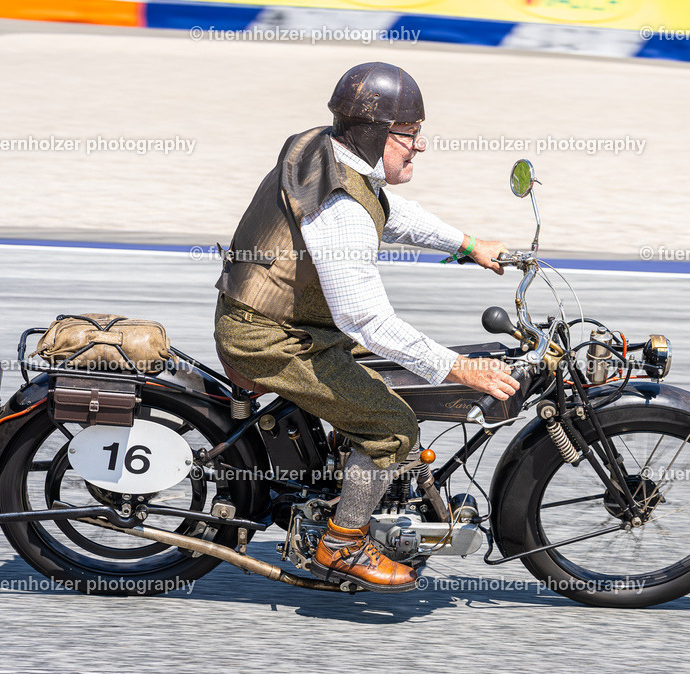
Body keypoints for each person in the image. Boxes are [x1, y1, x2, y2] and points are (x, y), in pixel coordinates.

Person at [213, 62, 519, 593]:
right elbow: (365, 319)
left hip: (277, 316)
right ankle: (342, 543)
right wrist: (457, 366)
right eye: (410, 134)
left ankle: (343, 487)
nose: (419, 146)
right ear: (377, 134)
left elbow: (388, 210)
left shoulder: (321, 147)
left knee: (383, 377)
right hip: (271, 336)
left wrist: (468, 246)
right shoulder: (339, 209)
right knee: (392, 427)